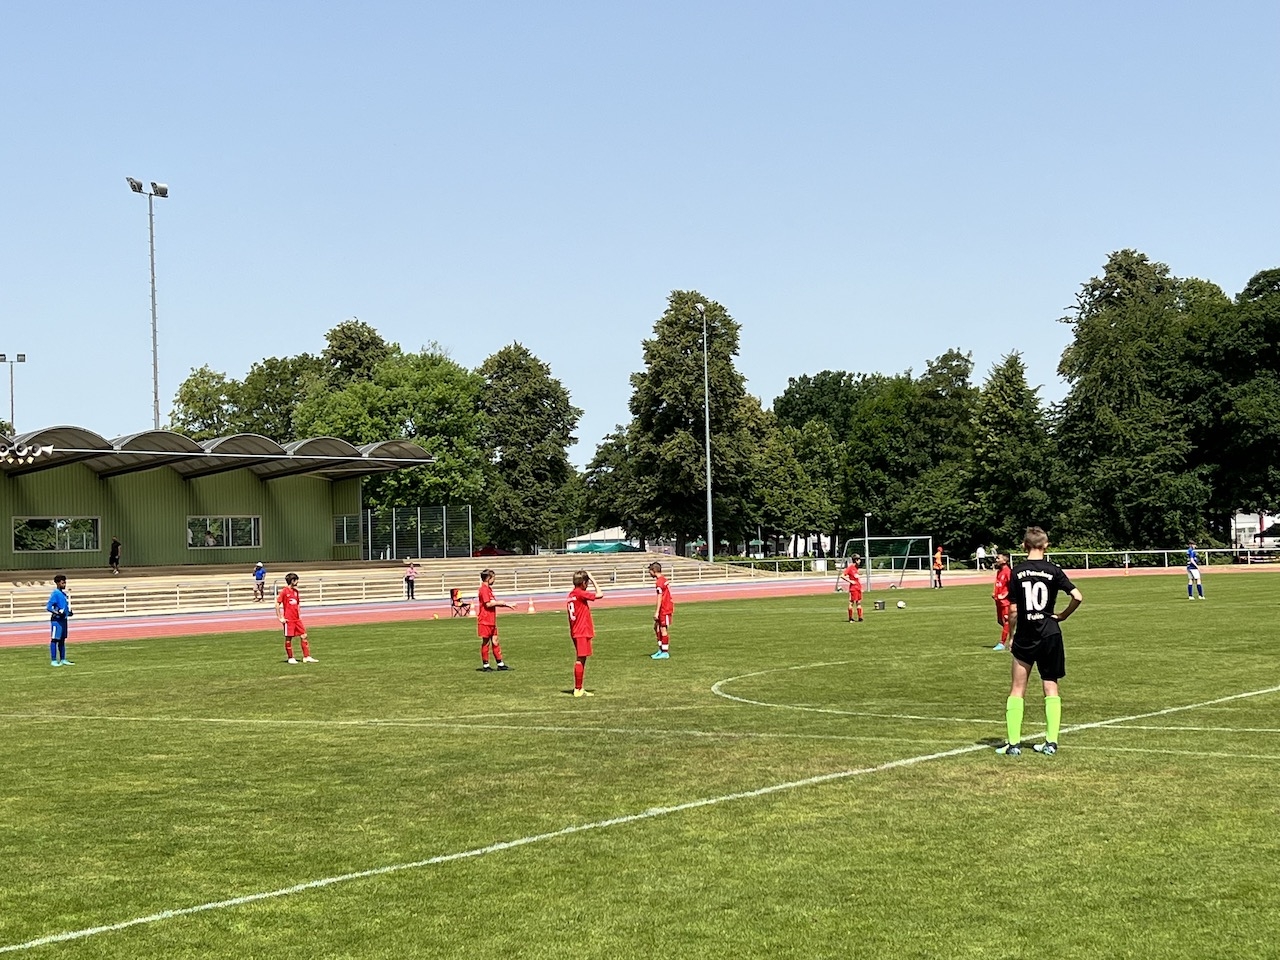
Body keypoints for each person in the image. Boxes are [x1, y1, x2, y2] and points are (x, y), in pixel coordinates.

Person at [996, 526, 1083, 757]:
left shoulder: (1016, 572)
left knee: (1017, 688)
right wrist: (1063, 615)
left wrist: (1011, 636)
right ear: (1046, 545)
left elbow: (1013, 610)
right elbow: (1077, 596)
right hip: (1050, 633)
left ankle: (1014, 745)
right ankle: (1051, 743)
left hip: (1026, 634)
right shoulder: (1054, 570)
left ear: (1024, 546)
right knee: (1051, 686)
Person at [567, 569, 603, 697]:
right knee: (580, 658)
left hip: (575, 629)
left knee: (582, 658)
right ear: (584, 583)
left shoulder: (571, 594)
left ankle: (580, 687)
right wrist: (593, 579)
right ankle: (578, 689)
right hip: (582, 630)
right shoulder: (580, 593)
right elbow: (600, 594)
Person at [274, 572, 318, 664]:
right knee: (289, 638)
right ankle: (290, 658)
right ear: (292, 581)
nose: (298, 582)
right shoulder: (284, 591)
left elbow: (297, 604)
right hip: (288, 619)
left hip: (297, 619)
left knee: (304, 635)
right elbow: (277, 603)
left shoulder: (296, 592)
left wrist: (299, 614)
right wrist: (280, 617)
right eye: (296, 580)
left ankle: (306, 656)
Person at [476, 568, 514, 671]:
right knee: (486, 642)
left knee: (495, 641)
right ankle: (486, 665)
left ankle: (500, 664)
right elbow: (488, 604)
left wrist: (507, 604)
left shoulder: (488, 589)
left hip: (491, 620)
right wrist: (500, 603)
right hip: (485, 620)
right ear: (488, 578)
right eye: (493, 578)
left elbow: (493, 602)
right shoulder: (483, 589)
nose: (494, 580)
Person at [46, 573, 74, 666]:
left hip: (63, 620)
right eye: (62, 583)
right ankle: (53, 660)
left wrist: (68, 613)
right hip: (56, 621)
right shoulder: (55, 594)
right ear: (58, 583)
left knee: (62, 640)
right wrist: (57, 612)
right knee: (54, 639)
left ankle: (63, 659)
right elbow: (49, 607)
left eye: (65, 583)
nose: (64, 584)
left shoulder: (63, 594)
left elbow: (63, 607)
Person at [649, 561, 675, 657]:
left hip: (665, 608)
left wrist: (657, 611)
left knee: (663, 629)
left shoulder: (659, 582)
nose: (649, 573)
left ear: (654, 571)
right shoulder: (663, 579)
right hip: (664, 607)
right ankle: (661, 649)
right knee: (656, 627)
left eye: (650, 571)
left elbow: (660, 597)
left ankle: (665, 652)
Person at [991, 552, 1012, 651]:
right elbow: (998, 584)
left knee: (1006, 621)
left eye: (998, 558)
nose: (996, 560)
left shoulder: (1008, 572)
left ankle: (1002, 643)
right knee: (1000, 621)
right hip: (998, 601)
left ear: (1005, 560)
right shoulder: (999, 571)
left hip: (1005, 602)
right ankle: (1015, 635)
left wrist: (1004, 595)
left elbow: (1011, 586)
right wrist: (994, 593)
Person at [839, 554, 864, 622]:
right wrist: (850, 581)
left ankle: (860, 618)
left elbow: (856, 577)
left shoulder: (856, 568)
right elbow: (842, 576)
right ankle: (850, 618)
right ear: (856, 560)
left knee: (859, 602)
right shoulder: (850, 567)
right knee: (851, 603)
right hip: (853, 588)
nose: (860, 561)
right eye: (859, 560)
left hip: (858, 587)